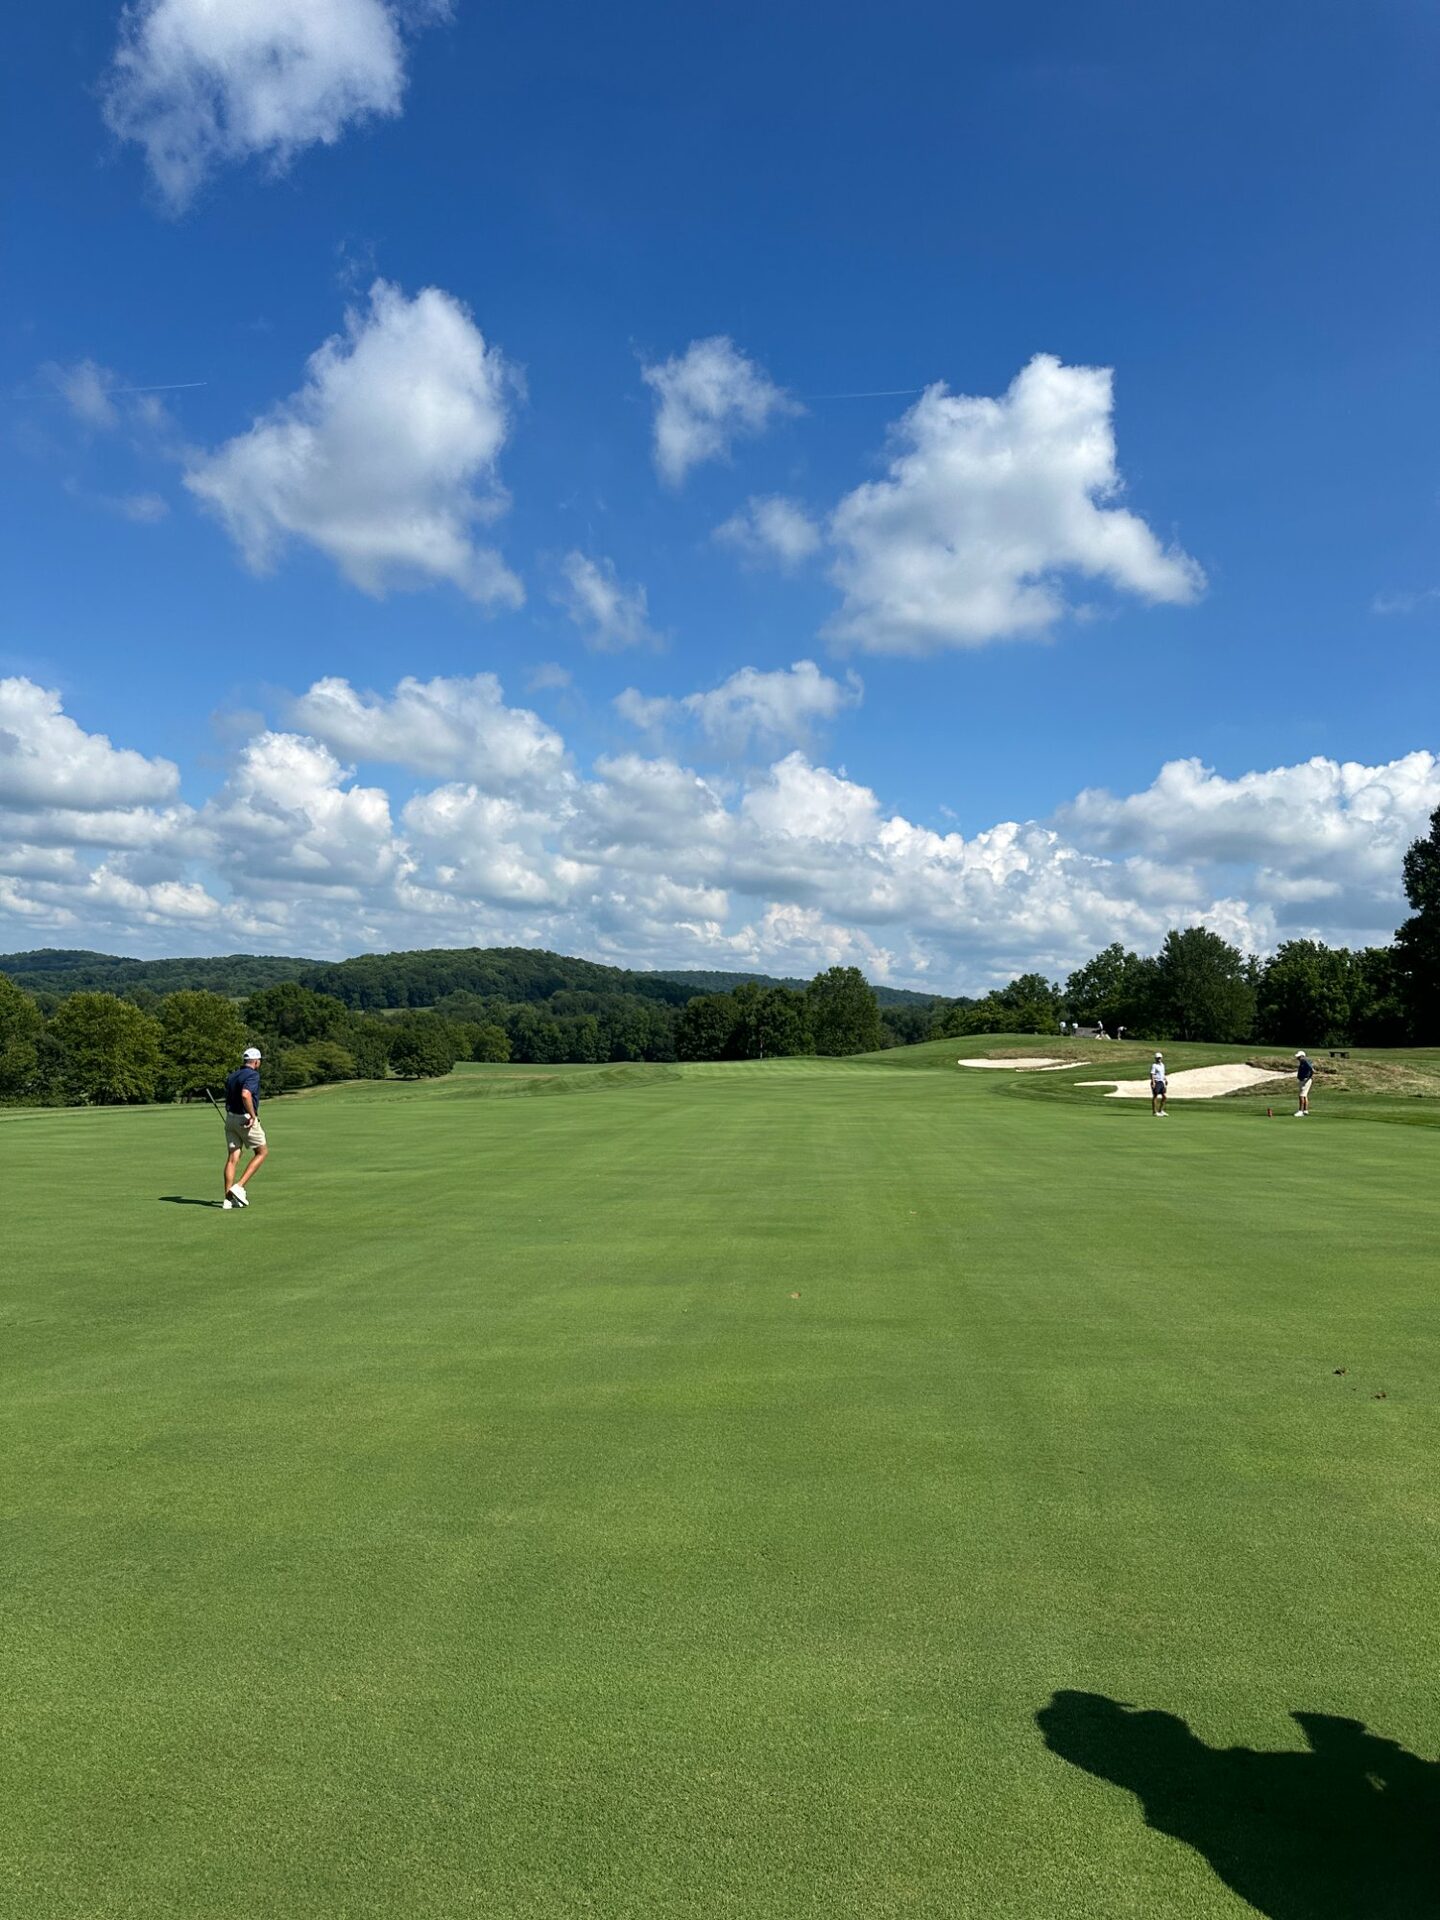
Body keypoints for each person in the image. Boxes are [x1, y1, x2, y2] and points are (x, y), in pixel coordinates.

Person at [222, 1045, 268, 1207]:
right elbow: (245, 1094)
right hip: (245, 1119)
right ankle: (239, 1187)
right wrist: (253, 1116)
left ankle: (227, 1200)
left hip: (231, 1118)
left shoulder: (233, 1075)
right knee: (262, 1152)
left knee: (233, 1157)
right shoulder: (253, 1075)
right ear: (256, 1062)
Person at [1295, 1049, 1314, 1117]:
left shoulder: (1305, 1061)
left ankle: (1300, 1111)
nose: (1297, 1058)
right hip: (1304, 1079)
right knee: (1304, 1095)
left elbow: (1312, 1069)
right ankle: (1305, 1110)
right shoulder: (1303, 1062)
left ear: (1302, 1056)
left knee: (1301, 1095)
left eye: (1299, 1057)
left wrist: (1308, 1077)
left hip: (1305, 1080)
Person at [1150, 1051, 1168, 1117]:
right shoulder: (1154, 1065)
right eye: (1158, 1058)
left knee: (1164, 1097)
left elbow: (1163, 1074)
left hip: (1161, 1082)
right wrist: (1153, 1082)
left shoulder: (1163, 1065)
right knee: (1155, 1096)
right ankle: (1154, 1112)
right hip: (1156, 1082)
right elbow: (1152, 1074)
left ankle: (1161, 1111)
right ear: (1155, 1058)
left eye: (1160, 1058)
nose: (1159, 1059)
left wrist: (1165, 1079)